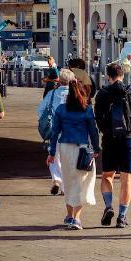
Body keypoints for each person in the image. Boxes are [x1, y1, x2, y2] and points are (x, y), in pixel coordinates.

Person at [94, 62, 131, 229]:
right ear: (122, 75)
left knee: (107, 176)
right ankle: (122, 216)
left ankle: (109, 206)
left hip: (110, 139)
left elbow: (98, 118)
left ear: (108, 76)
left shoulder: (102, 94)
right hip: (129, 138)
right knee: (127, 178)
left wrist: (105, 132)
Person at [47, 79, 100, 230]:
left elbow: (54, 132)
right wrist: (96, 148)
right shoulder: (87, 110)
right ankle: (76, 218)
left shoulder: (61, 110)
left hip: (64, 147)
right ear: (83, 93)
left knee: (68, 181)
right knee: (81, 182)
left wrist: (51, 153)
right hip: (82, 148)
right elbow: (93, 131)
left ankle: (69, 215)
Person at [37, 67, 75, 195]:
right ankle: (65, 187)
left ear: (60, 81)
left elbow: (40, 110)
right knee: (68, 159)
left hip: (55, 130)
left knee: (53, 156)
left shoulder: (52, 94)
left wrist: (47, 120)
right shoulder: (75, 94)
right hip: (71, 131)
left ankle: (57, 180)